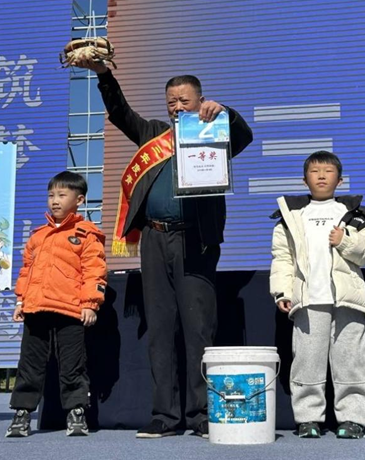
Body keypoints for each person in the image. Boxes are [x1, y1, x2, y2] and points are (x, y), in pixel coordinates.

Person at [64, 41, 253, 438]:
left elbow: (244, 136)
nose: (177, 107)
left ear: (199, 100)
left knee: (198, 329)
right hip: (154, 239)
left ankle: (200, 414)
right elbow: (120, 112)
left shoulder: (213, 130)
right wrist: (103, 74)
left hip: (195, 241)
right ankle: (165, 415)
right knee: (161, 330)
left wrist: (224, 112)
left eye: (185, 100)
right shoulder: (153, 134)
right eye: (171, 102)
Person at [270, 151, 365, 439]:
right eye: (315, 171)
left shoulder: (355, 215)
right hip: (308, 299)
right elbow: (283, 257)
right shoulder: (290, 216)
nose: (321, 176)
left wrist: (345, 241)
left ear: (340, 180)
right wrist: (282, 291)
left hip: (347, 300)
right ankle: (308, 419)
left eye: (329, 171)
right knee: (307, 361)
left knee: (351, 360)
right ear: (304, 180)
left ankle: (354, 419)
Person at [5, 171, 107, 438]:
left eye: (62, 195)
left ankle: (76, 412)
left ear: (79, 200)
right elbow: (26, 271)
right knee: (30, 364)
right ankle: (22, 413)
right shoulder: (38, 236)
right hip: (36, 309)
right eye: (51, 195)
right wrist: (21, 300)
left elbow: (94, 272)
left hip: (70, 310)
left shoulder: (87, 234)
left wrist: (90, 303)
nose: (55, 200)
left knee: (73, 364)